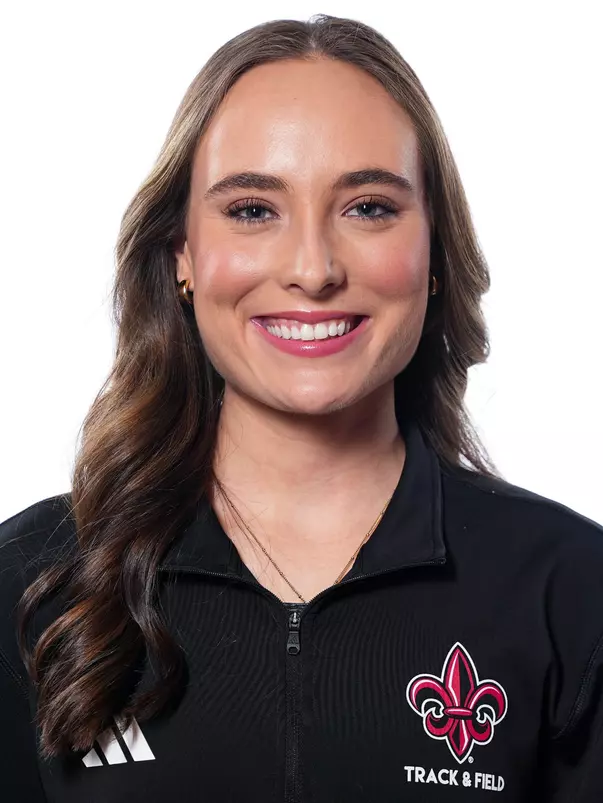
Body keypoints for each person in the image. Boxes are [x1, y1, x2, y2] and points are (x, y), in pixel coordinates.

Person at [1, 12, 602, 803]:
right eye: (253, 209)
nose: (313, 270)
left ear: (433, 251)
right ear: (182, 255)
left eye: (369, 207)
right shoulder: (33, 583)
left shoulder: (571, 589)